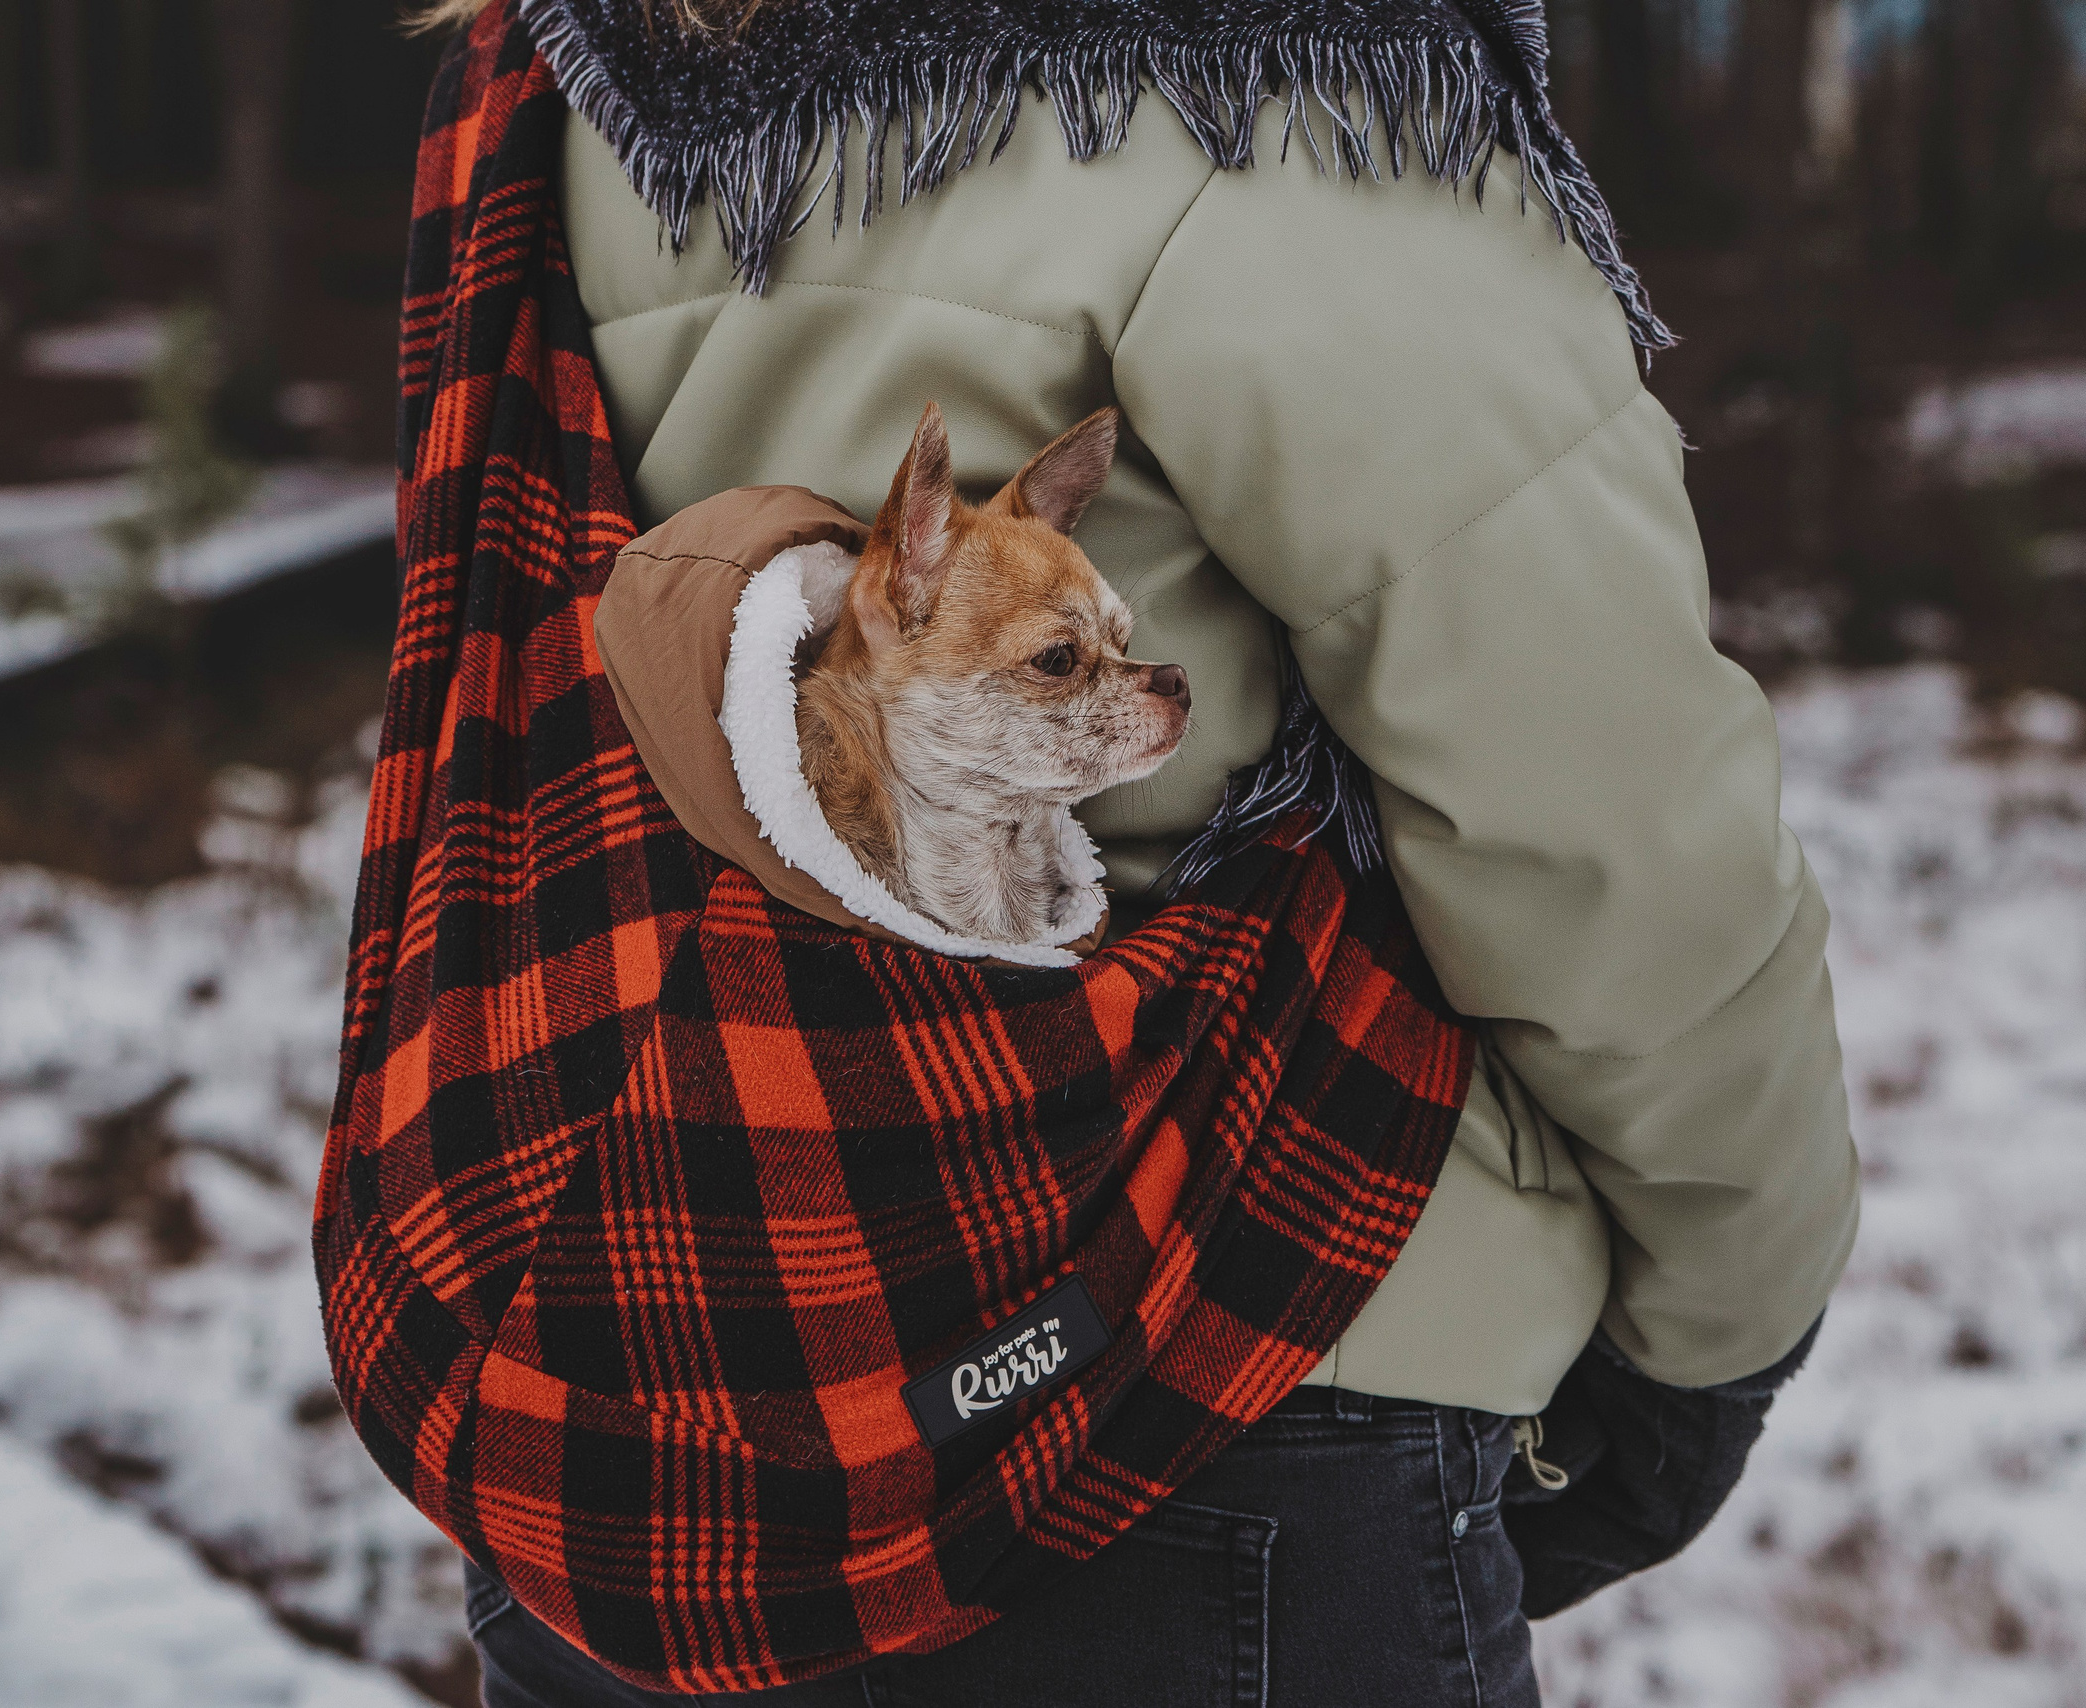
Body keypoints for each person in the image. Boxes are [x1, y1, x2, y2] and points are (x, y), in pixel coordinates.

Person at [433, 1, 1861, 1702]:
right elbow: (1600, 802)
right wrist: (1718, 1337)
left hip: (637, 1399)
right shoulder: (1278, 77)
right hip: (1225, 1373)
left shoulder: (543, 87)